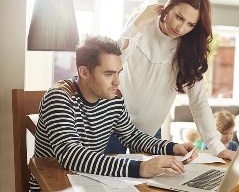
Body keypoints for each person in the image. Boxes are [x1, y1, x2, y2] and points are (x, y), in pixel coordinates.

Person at [29, 35, 197, 190]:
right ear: (84, 72)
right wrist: (140, 168)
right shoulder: (59, 97)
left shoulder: (113, 97)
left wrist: (173, 147)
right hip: (53, 185)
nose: (117, 82)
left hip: (90, 182)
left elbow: (132, 136)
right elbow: (71, 155)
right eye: (109, 74)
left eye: (118, 73)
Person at [105, 0, 235, 160]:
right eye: (179, 17)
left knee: (150, 185)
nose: (181, 29)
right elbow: (113, 62)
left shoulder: (190, 49)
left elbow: (199, 102)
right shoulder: (141, 23)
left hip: (150, 134)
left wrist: (218, 148)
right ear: (168, 8)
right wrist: (138, 23)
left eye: (190, 24)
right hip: (113, 126)